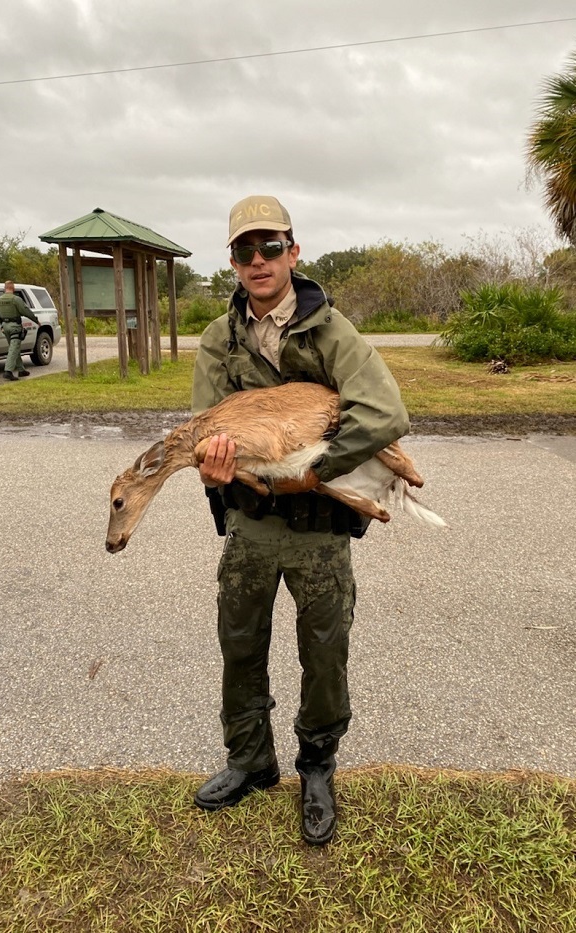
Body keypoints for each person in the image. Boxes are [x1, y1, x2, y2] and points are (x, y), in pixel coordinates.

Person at [191, 195, 410, 846]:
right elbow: (209, 430)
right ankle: (250, 761)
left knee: (324, 649)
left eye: (269, 246)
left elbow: (384, 414)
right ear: (232, 261)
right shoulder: (216, 339)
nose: (257, 261)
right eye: (243, 250)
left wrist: (319, 470)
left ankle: (317, 766)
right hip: (252, 523)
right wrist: (211, 467)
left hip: (319, 526)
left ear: (294, 250)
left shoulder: (332, 331)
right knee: (240, 641)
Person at [0, 280, 40, 380]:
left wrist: (2, 323)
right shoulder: (16, 299)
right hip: (15, 327)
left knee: (14, 347)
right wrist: (36, 320)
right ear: (13, 288)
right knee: (13, 349)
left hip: (5, 326)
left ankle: (21, 370)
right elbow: (26, 311)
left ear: (4, 288)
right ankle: (8, 371)